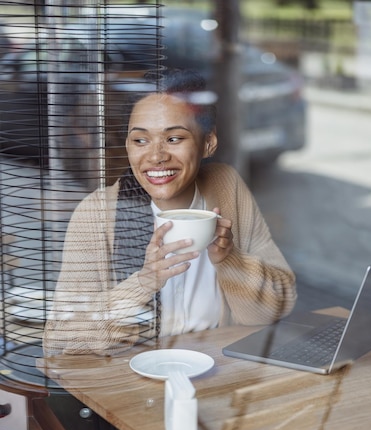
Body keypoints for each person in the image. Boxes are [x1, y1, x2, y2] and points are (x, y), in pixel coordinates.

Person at [43, 70, 297, 356]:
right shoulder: (98, 214)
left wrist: (230, 260)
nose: (156, 156)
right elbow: (61, 341)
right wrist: (143, 283)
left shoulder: (225, 187)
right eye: (140, 140)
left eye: (174, 138)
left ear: (208, 142)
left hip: (219, 374)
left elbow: (278, 305)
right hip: (132, 387)